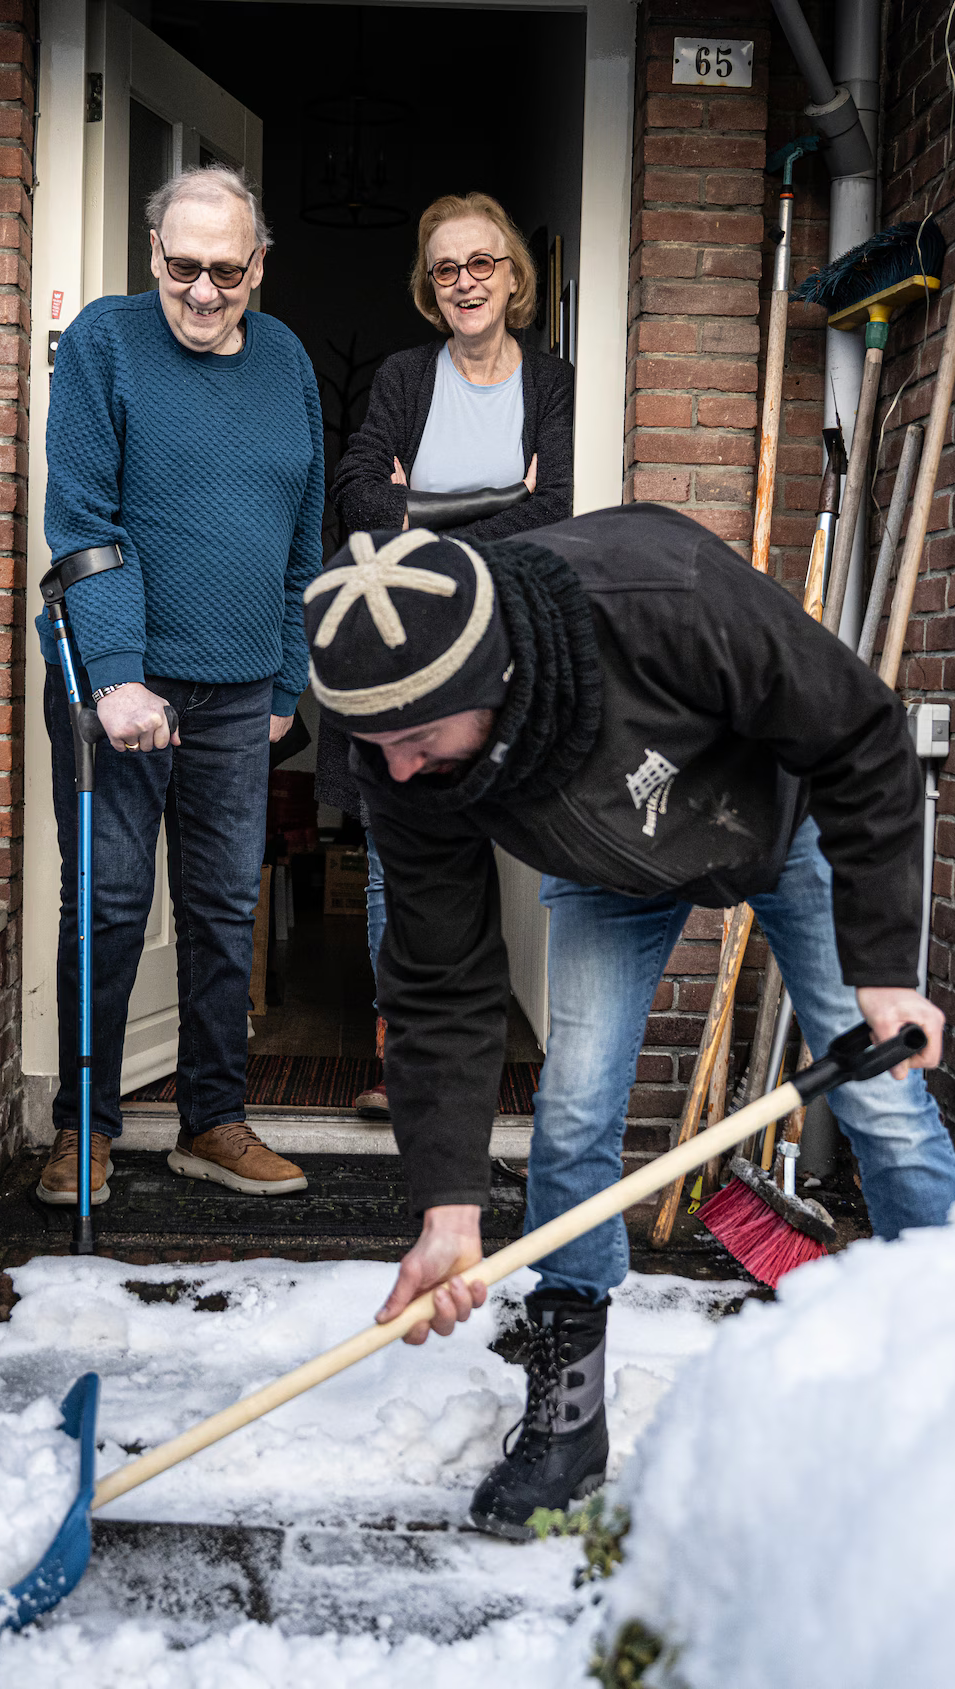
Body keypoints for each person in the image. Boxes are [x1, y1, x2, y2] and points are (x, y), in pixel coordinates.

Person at [307, 505, 955, 1537]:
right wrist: (446, 1205)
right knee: (570, 1113)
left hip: (786, 828)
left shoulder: (661, 595)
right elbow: (440, 980)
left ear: (493, 682)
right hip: (608, 867)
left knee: (882, 1104)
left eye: (417, 741)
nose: (393, 771)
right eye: (371, 747)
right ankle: (569, 1422)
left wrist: (882, 969)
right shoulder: (401, 756)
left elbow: (861, 735)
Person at [37, 164, 325, 1205]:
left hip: (242, 688)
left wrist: (288, 677)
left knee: (217, 909)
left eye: (224, 271)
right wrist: (114, 678)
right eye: (180, 268)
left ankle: (212, 1120)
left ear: (258, 263)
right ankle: (83, 1130)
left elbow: (304, 533)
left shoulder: (286, 357)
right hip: (122, 688)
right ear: (152, 256)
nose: (202, 292)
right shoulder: (106, 346)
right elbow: (81, 526)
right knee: (110, 909)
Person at [323, 191, 576, 1118]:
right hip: (414, 651)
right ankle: (407, 1056)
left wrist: (425, 519)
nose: (465, 282)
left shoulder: (556, 386)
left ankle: (559, 1063)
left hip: (519, 647)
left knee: (534, 839)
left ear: (513, 274)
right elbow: (358, 495)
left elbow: (562, 511)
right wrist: (501, 498)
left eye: (482, 264)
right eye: (445, 270)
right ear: (429, 290)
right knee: (404, 855)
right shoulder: (401, 378)